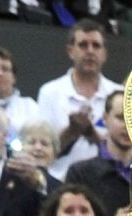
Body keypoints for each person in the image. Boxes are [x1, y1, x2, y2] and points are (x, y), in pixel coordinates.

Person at [36, 20, 122, 180]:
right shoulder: (50, 92)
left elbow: (125, 149)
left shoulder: (119, 95)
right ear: (70, 51)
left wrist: (92, 133)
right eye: (83, 45)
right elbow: (41, 150)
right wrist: (70, 132)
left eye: (96, 45)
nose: (90, 51)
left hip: (108, 182)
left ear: (104, 54)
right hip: (60, 182)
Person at [0, 47, 43, 143]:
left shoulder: (29, 105)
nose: (0, 73)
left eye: (5, 69)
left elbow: (39, 139)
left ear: (14, 77)